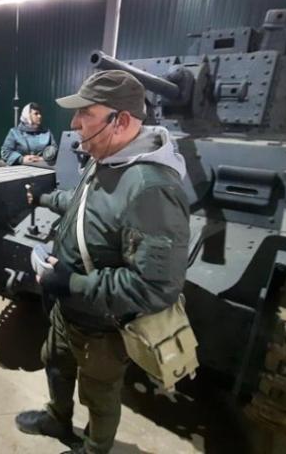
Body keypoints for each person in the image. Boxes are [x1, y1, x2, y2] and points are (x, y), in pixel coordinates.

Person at [15, 70, 190, 454]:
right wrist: (44, 200)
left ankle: (95, 449)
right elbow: (85, 207)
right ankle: (58, 417)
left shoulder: (151, 188)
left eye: (86, 113)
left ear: (121, 121)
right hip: (69, 311)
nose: (75, 123)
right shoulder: (108, 158)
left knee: (99, 394)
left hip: (102, 325)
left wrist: (71, 283)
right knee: (55, 363)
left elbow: (154, 287)